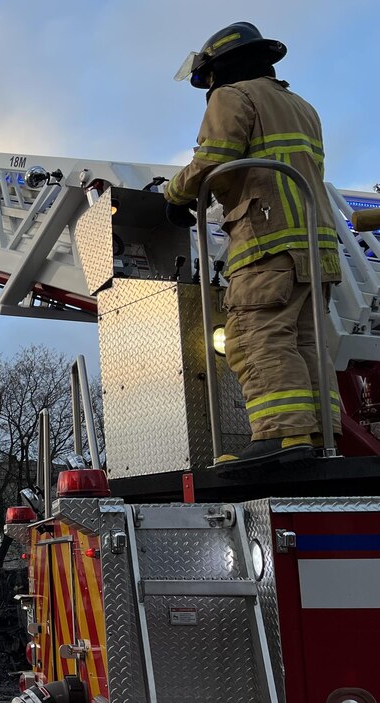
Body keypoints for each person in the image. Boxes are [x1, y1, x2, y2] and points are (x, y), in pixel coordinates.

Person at [164, 22, 341, 469]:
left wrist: (175, 194)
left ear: (220, 68)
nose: (209, 88)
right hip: (315, 246)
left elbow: (215, 157)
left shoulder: (232, 97)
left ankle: (281, 436)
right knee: (305, 341)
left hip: (266, 240)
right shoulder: (301, 106)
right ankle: (318, 434)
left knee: (254, 337)